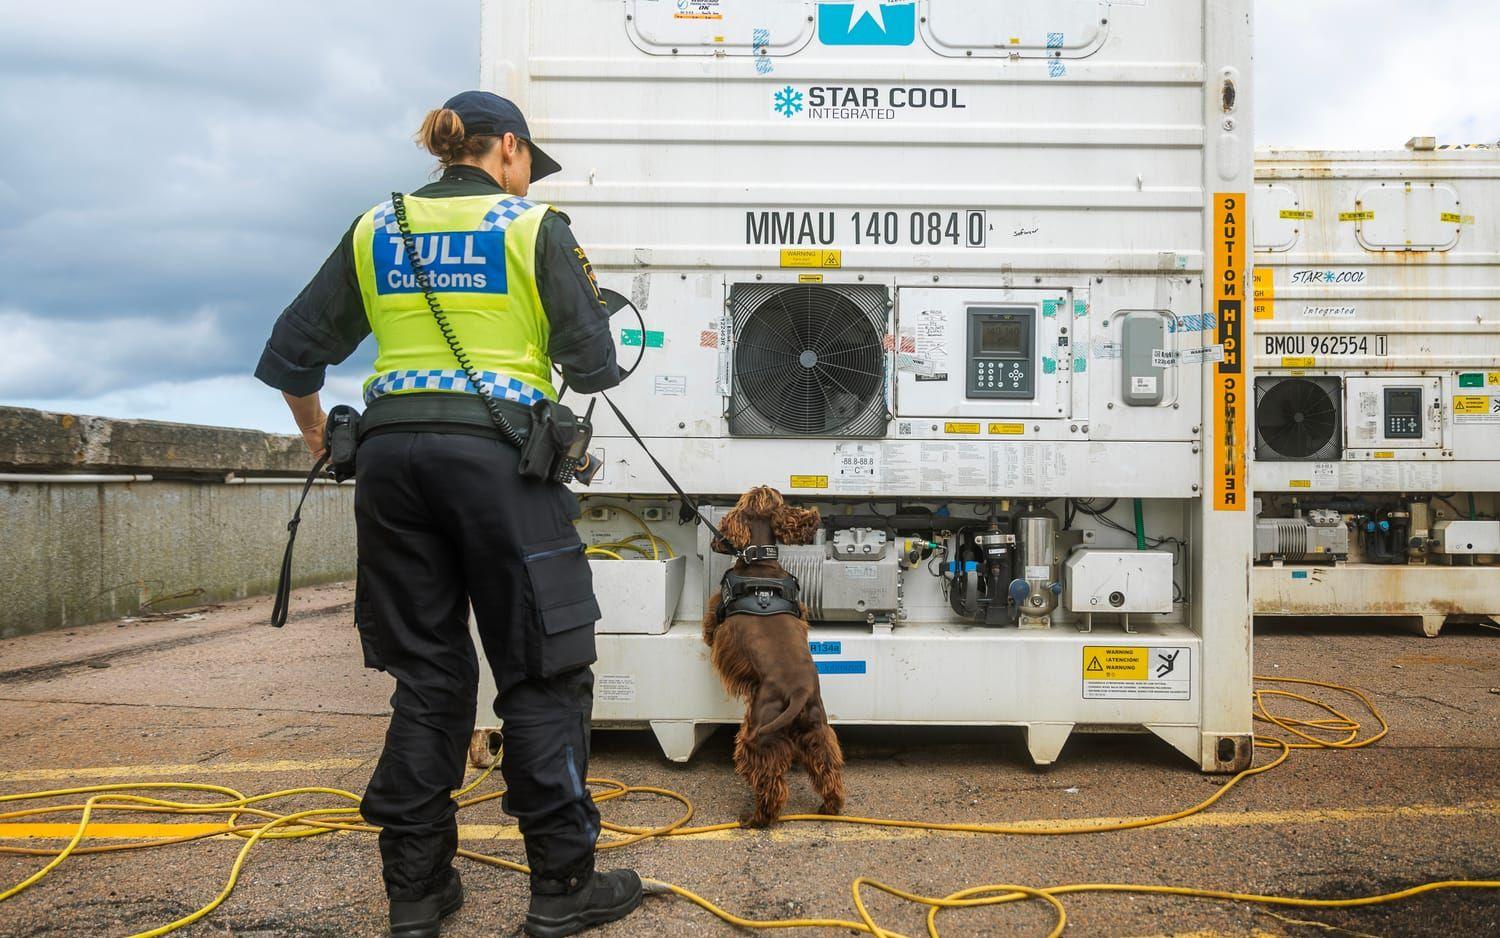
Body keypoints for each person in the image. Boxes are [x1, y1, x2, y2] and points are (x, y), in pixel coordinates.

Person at [254, 90, 642, 938]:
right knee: (540, 668)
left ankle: (418, 894)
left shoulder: (374, 227)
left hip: (391, 464)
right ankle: (562, 887)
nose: (528, 181)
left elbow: (291, 355)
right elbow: (592, 362)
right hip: (500, 464)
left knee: (428, 677)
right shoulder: (531, 229)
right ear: (507, 149)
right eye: (527, 165)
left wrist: (318, 434)